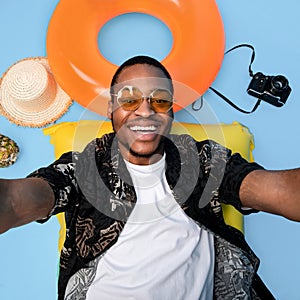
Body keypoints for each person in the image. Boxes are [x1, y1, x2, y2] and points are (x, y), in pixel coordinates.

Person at [1, 55, 300, 300]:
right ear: (111, 108)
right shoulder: (85, 167)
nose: (145, 111)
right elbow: (19, 200)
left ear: (171, 110)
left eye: (159, 100)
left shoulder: (204, 160)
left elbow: (274, 188)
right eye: (129, 100)